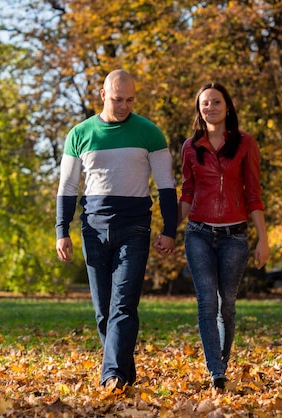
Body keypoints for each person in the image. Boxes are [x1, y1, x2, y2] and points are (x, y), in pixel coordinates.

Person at [55, 69, 178, 392]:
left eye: (130, 100)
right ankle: (124, 371)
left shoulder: (149, 133)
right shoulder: (80, 134)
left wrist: (169, 228)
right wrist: (61, 229)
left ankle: (112, 376)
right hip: (93, 231)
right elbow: (67, 186)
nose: (123, 106)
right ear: (103, 95)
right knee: (103, 311)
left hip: (134, 228)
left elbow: (166, 185)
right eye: (117, 99)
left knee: (123, 306)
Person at [175, 82, 269, 390]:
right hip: (199, 233)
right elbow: (187, 191)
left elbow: (253, 193)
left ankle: (221, 365)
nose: (210, 107)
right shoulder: (191, 146)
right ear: (199, 110)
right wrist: (169, 230)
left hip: (234, 237)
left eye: (216, 102)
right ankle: (216, 373)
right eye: (205, 103)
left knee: (227, 303)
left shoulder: (245, 144)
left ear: (227, 106)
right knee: (207, 303)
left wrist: (262, 239)